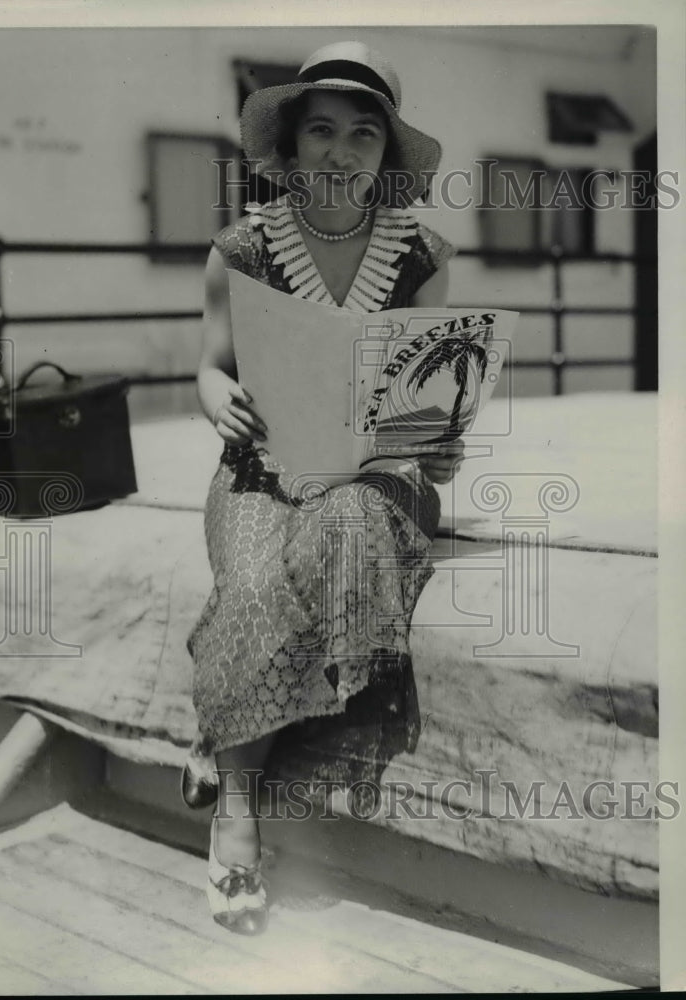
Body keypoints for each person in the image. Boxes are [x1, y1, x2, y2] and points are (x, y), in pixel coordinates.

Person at [185, 40, 462, 935]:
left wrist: (440, 445)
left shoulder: (421, 254)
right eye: (322, 131)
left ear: (384, 154)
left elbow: (432, 395)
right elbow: (208, 368)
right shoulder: (240, 249)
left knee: (343, 530)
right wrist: (218, 399)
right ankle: (237, 805)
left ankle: (224, 763)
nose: (341, 152)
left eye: (363, 135)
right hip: (264, 471)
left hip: (376, 478)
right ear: (293, 144)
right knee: (260, 583)